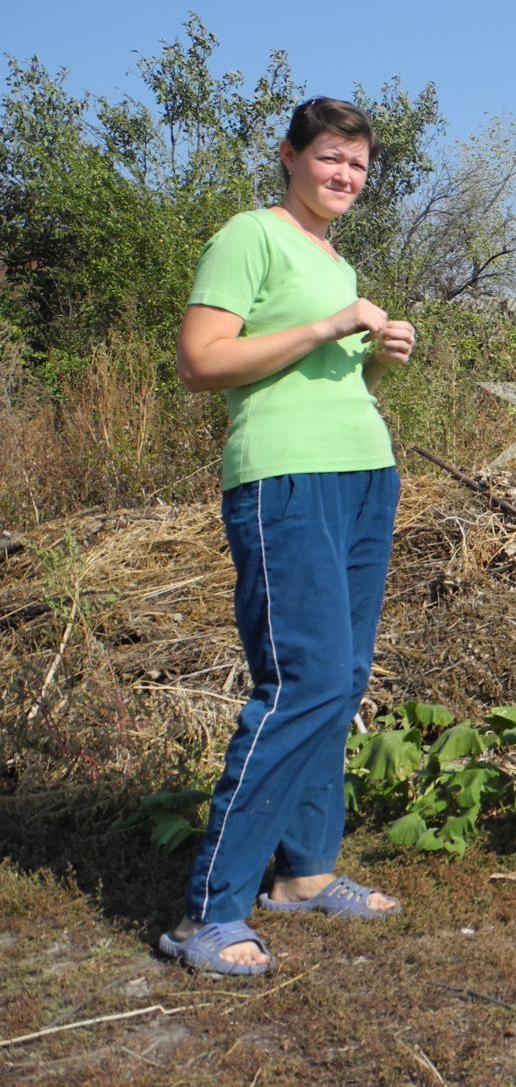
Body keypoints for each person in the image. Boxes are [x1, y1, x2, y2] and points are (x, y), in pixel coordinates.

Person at [159, 98, 416, 975]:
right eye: (332, 159)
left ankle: (305, 876)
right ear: (291, 156)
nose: (345, 176)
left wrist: (377, 354)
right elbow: (201, 361)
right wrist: (325, 327)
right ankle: (208, 915)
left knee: (338, 682)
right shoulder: (250, 235)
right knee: (300, 681)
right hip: (285, 479)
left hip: (362, 474)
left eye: (358, 166)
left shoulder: (333, 257)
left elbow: (316, 370)